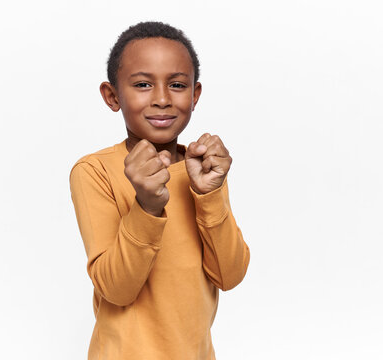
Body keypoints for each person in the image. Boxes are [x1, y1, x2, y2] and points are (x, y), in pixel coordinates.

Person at [69, 21, 250, 360]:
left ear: (195, 96)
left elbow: (230, 274)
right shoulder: (94, 171)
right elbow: (117, 289)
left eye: (177, 84)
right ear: (112, 96)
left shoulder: (204, 168)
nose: (163, 99)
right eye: (142, 84)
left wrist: (210, 195)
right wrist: (146, 207)